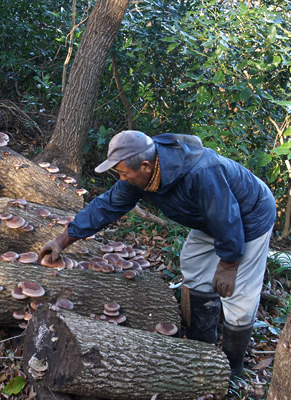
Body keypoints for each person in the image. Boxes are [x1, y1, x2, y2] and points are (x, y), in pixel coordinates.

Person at [39, 130, 276, 377]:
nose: (121, 178)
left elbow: (226, 218)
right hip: (211, 218)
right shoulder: (141, 176)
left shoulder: (201, 173)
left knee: (239, 292)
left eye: (123, 173)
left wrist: (228, 264)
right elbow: (106, 206)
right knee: (194, 265)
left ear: (145, 166)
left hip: (250, 217)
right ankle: (202, 341)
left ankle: (231, 368)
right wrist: (62, 241)